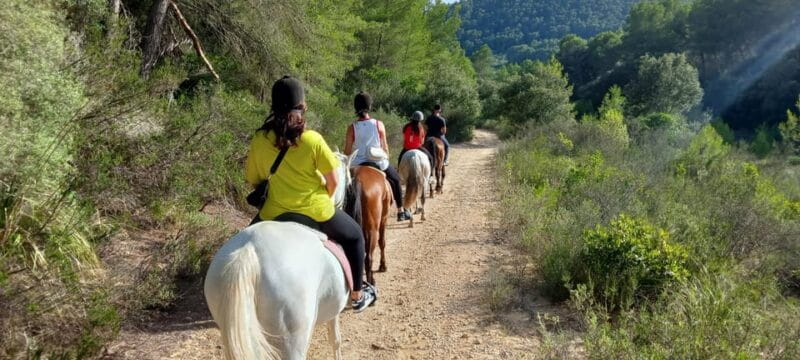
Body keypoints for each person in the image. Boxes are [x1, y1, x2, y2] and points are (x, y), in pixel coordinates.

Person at [245, 76, 376, 312]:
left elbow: (254, 179)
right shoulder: (312, 139)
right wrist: (321, 197)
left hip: (273, 212)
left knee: (243, 246)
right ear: (302, 106)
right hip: (315, 212)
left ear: (273, 106)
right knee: (356, 236)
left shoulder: (259, 139)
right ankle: (357, 295)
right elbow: (333, 181)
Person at [344, 92, 412, 222]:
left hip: (357, 164)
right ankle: (401, 211)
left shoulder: (352, 127)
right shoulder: (378, 124)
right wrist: (386, 156)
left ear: (355, 107)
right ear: (369, 106)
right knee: (395, 179)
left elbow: (347, 151)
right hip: (378, 162)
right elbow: (385, 146)